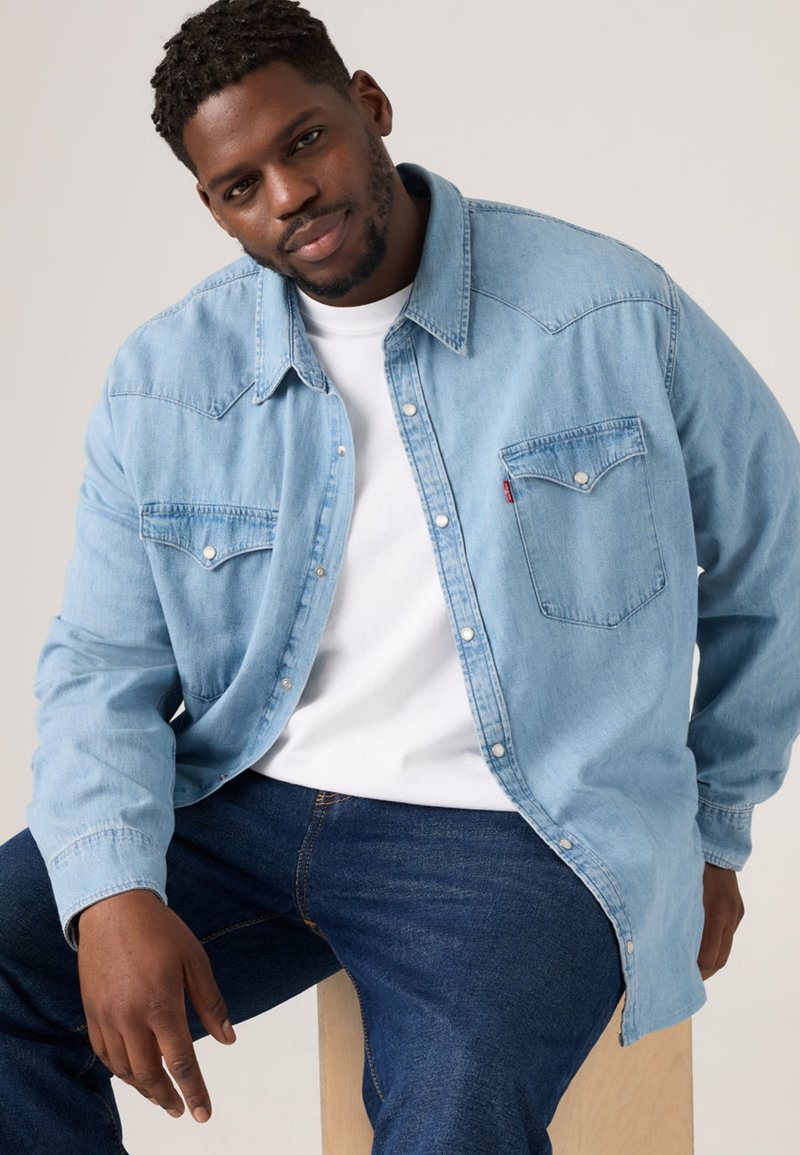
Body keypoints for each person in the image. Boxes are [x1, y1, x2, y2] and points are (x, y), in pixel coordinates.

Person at [2, 0, 799, 1151]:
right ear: (212, 206)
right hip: (246, 802)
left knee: (453, 1107)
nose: (287, 196)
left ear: (367, 107)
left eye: (305, 142)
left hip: (516, 830)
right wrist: (112, 886)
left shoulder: (608, 311)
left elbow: (769, 556)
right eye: (240, 185)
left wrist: (712, 829)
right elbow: (101, 662)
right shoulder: (166, 378)